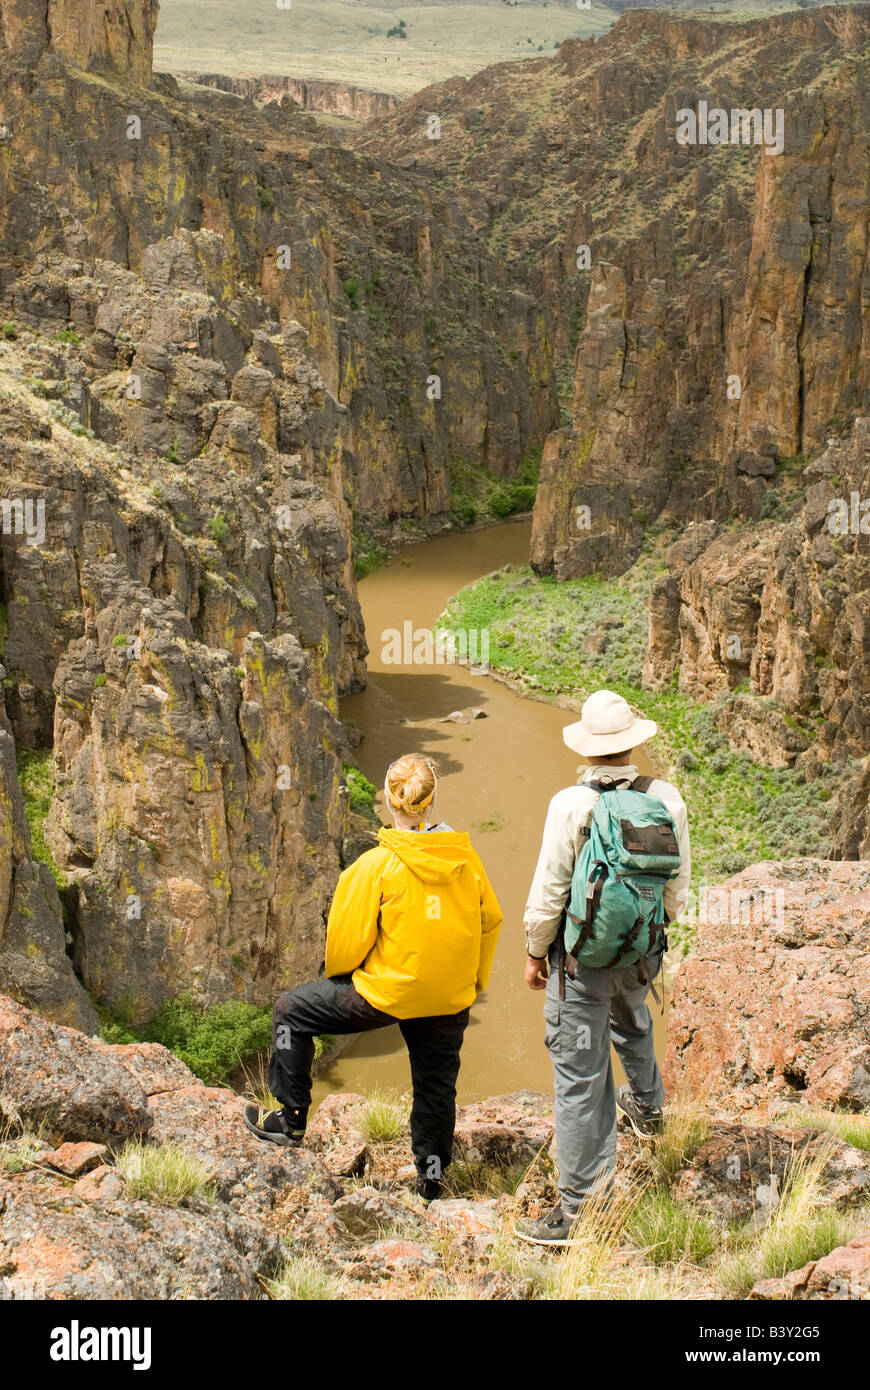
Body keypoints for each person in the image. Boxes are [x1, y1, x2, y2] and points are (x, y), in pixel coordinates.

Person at [245, 753, 503, 1202]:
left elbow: (345, 942)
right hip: (448, 997)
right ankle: (431, 1180)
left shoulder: (375, 865)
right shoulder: (466, 858)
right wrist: (472, 983)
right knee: (435, 1085)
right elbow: (491, 921)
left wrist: (351, 979)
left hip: (387, 992)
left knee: (291, 1011)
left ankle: (289, 1121)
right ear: (432, 799)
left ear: (388, 799)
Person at [516, 690, 691, 1245]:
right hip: (641, 949)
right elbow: (677, 886)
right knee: (633, 1019)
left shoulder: (570, 804)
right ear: (634, 743)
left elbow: (548, 894)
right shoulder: (667, 798)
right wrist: (647, 935)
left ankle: (580, 1210)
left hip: (580, 962)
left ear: (590, 750)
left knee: (579, 1075)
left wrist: (536, 951)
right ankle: (646, 1108)